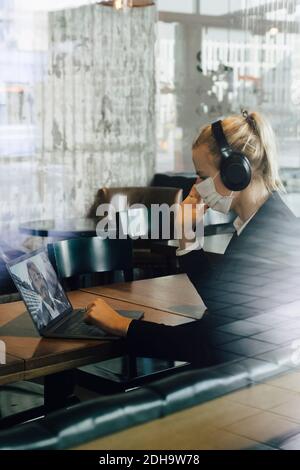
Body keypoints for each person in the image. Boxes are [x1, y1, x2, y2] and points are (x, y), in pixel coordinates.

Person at [84, 110, 300, 367]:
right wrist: (187, 239)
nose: (196, 187)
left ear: (237, 171)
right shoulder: (265, 223)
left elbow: (205, 344)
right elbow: (221, 305)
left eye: (203, 176)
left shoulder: (268, 239)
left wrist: (122, 325)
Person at [27, 261, 64, 329]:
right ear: (34, 287)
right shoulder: (39, 315)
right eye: (35, 279)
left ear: (44, 279)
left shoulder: (61, 304)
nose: (40, 282)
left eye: (39, 275)